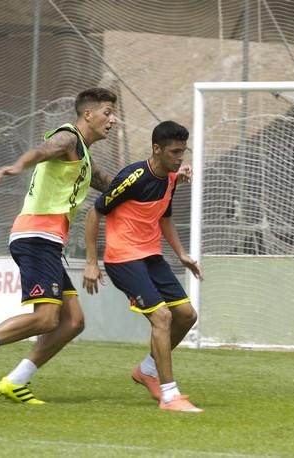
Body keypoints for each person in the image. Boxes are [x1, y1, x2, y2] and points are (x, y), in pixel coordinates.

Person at [0, 88, 118, 404]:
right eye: (107, 112)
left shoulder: (83, 156)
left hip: (48, 242)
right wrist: (18, 165)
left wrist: (160, 177)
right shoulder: (67, 139)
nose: (113, 119)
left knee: (72, 322)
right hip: (36, 237)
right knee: (46, 319)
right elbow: (41, 151)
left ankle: (15, 381)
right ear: (88, 115)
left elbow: (112, 183)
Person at [83, 120, 203, 412]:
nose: (180, 157)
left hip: (151, 257)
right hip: (122, 258)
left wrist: (182, 254)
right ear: (156, 149)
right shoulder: (134, 176)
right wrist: (91, 262)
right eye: (175, 152)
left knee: (187, 316)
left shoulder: (171, 179)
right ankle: (170, 395)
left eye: (183, 152)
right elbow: (94, 212)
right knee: (162, 318)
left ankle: (147, 370)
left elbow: (164, 218)